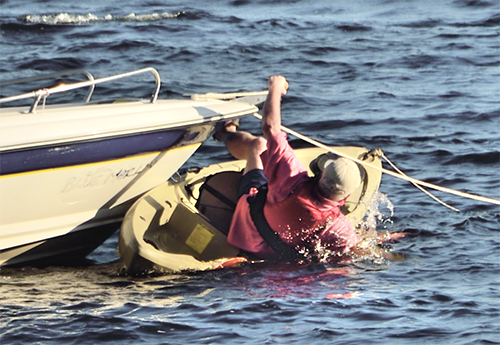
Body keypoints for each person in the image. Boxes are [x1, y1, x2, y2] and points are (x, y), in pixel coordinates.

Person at [214, 75, 364, 263]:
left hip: (244, 229)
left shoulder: (293, 177)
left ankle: (225, 132)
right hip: (271, 257)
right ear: (346, 197)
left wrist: (275, 88)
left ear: (321, 174)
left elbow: (270, 128)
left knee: (259, 144)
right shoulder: (339, 227)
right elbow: (349, 257)